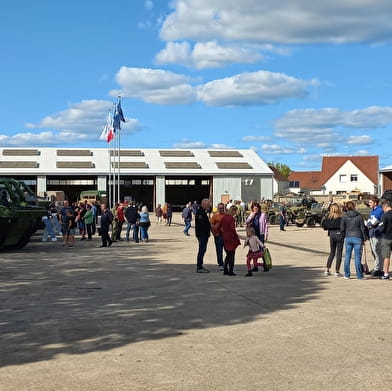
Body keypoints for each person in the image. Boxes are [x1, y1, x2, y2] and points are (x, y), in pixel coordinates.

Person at [340, 201, 368, 280]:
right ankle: (359, 275)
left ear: (346, 207)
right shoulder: (359, 216)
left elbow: (342, 228)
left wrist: (343, 236)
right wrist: (364, 237)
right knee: (357, 256)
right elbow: (362, 227)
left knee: (347, 256)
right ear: (354, 206)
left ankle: (347, 274)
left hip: (348, 237)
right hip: (358, 237)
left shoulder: (344, 216)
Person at [321, 203, 344, 276]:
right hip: (339, 234)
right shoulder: (341, 217)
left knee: (332, 252)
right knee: (339, 253)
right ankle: (337, 271)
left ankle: (327, 269)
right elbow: (343, 226)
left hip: (332, 234)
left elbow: (324, 226)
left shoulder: (329, 217)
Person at [218, 205, 241, 276]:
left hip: (225, 237)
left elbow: (218, 227)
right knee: (232, 255)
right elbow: (232, 229)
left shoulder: (224, 218)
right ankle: (231, 270)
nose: (236, 213)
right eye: (235, 211)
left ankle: (225, 269)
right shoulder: (232, 219)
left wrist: (222, 232)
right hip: (231, 238)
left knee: (228, 254)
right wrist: (236, 236)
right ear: (233, 211)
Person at [366, 196, 384, 277]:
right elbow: (370, 222)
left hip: (377, 234)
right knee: (374, 252)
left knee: (378, 252)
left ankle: (379, 269)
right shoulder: (373, 211)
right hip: (372, 233)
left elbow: (373, 222)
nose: (369, 204)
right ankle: (376, 268)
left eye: (370, 202)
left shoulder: (379, 210)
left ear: (375, 203)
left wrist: (368, 224)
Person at [195, 198, 212, 273]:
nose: (209, 206)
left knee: (203, 250)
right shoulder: (200, 212)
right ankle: (199, 267)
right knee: (201, 250)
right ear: (203, 204)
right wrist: (210, 226)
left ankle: (200, 266)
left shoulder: (203, 212)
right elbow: (202, 224)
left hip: (204, 234)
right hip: (202, 234)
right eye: (208, 204)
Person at [210, 203, 226, 271]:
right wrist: (214, 234)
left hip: (226, 235)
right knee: (219, 251)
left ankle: (226, 263)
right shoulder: (215, 216)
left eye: (222, 208)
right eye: (220, 208)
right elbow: (211, 226)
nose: (221, 209)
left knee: (228, 250)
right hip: (218, 235)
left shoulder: (226, 215)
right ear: (218, 208)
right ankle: (221, 264)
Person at [379, 199, 392, 280]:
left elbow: (381, 228)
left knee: (386, 257)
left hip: (386, 238)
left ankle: (386, 273)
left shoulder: (384, 216)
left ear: (385, 206)